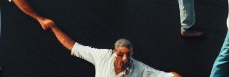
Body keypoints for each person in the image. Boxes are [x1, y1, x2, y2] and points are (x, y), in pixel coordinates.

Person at [40, 23, 175, 77]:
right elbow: (74, 46)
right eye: (122, 54)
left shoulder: (140, 69)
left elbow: (169, 76)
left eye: (128, 54)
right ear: (115, 52)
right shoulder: (102, 56)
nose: (125, 58)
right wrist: (53, 27)